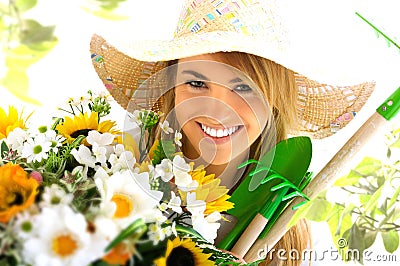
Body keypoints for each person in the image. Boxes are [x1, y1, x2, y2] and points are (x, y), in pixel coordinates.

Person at [89, 0, 375, 265]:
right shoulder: (111, 174)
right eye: (197, 83)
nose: (217, 110)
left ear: (274, 98)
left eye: (243, 87)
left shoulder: (283, 235)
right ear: (172, 83)